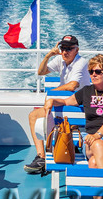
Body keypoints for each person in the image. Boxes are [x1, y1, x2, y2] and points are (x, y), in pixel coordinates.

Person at [43, 53, 103, 169]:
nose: (93, 75)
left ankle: (102, 181)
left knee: (94, 162)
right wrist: (52, 100)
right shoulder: (86, 91)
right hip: (89, 138)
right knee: (98, 145)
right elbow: (66, 102)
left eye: (98, 71)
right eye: (91, 72)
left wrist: (98, 135)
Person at [25, 35, 90, 175]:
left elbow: (72, 86)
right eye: (63, 48)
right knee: (34, 115)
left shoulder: (81, 62)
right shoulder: (60, 59)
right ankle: (42, 156)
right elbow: (41, 72)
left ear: (77, 50)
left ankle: (45, 155)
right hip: (64, 104)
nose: (65, 52)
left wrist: (51, 93)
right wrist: (48, 55)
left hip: (77, 107)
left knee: (36, 116)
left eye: (69, 49)